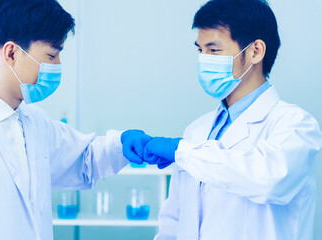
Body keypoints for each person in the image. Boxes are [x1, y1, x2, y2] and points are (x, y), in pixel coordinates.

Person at [121, 0, 322, 239]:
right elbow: (173, 221)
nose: (203, 59)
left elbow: (268, 178)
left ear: (255, 51)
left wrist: (183, 151)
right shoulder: (197, 131)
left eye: (214, 50)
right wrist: (184, 150)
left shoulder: (296, 126)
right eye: (200, 50)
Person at [0, 0, 142, 239]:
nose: (58, 65)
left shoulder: (33, 122)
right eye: (52, 54)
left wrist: (123, 145)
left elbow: (83, 159)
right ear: (11, 53)